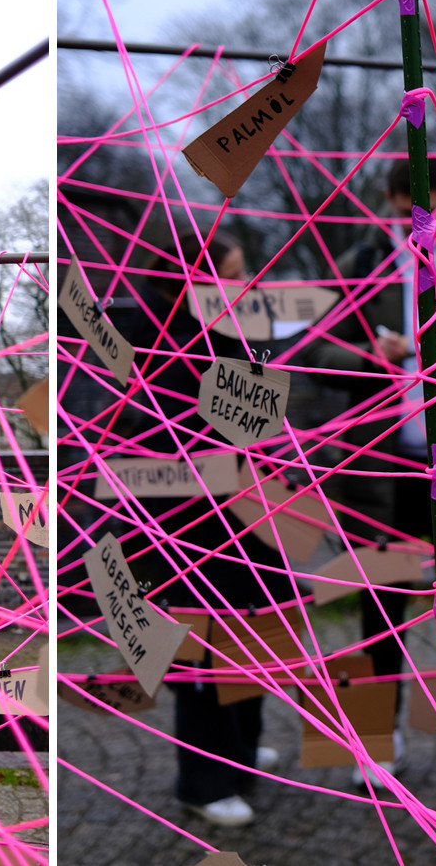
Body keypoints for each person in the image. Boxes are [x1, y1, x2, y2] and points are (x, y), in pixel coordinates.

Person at [306, 156, 436, 778]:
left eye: (412, 206)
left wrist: (434, 357)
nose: (400, 219)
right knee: (378, 604)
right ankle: (377, 741)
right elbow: (321, 341)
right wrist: (373, 354)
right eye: (392, 207)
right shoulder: (367, 260)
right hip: (383, 468)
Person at [111, 227, 295, 828]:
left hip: (245, 509)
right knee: (202, 647)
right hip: (188, 520)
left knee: (250, 632)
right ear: (194, 281)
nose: (244, 286)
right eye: (232, 274)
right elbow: (168, 433)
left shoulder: (230, 333)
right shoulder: (159, 340)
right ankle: (202, 779)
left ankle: (240, 755)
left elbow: (260, 417)